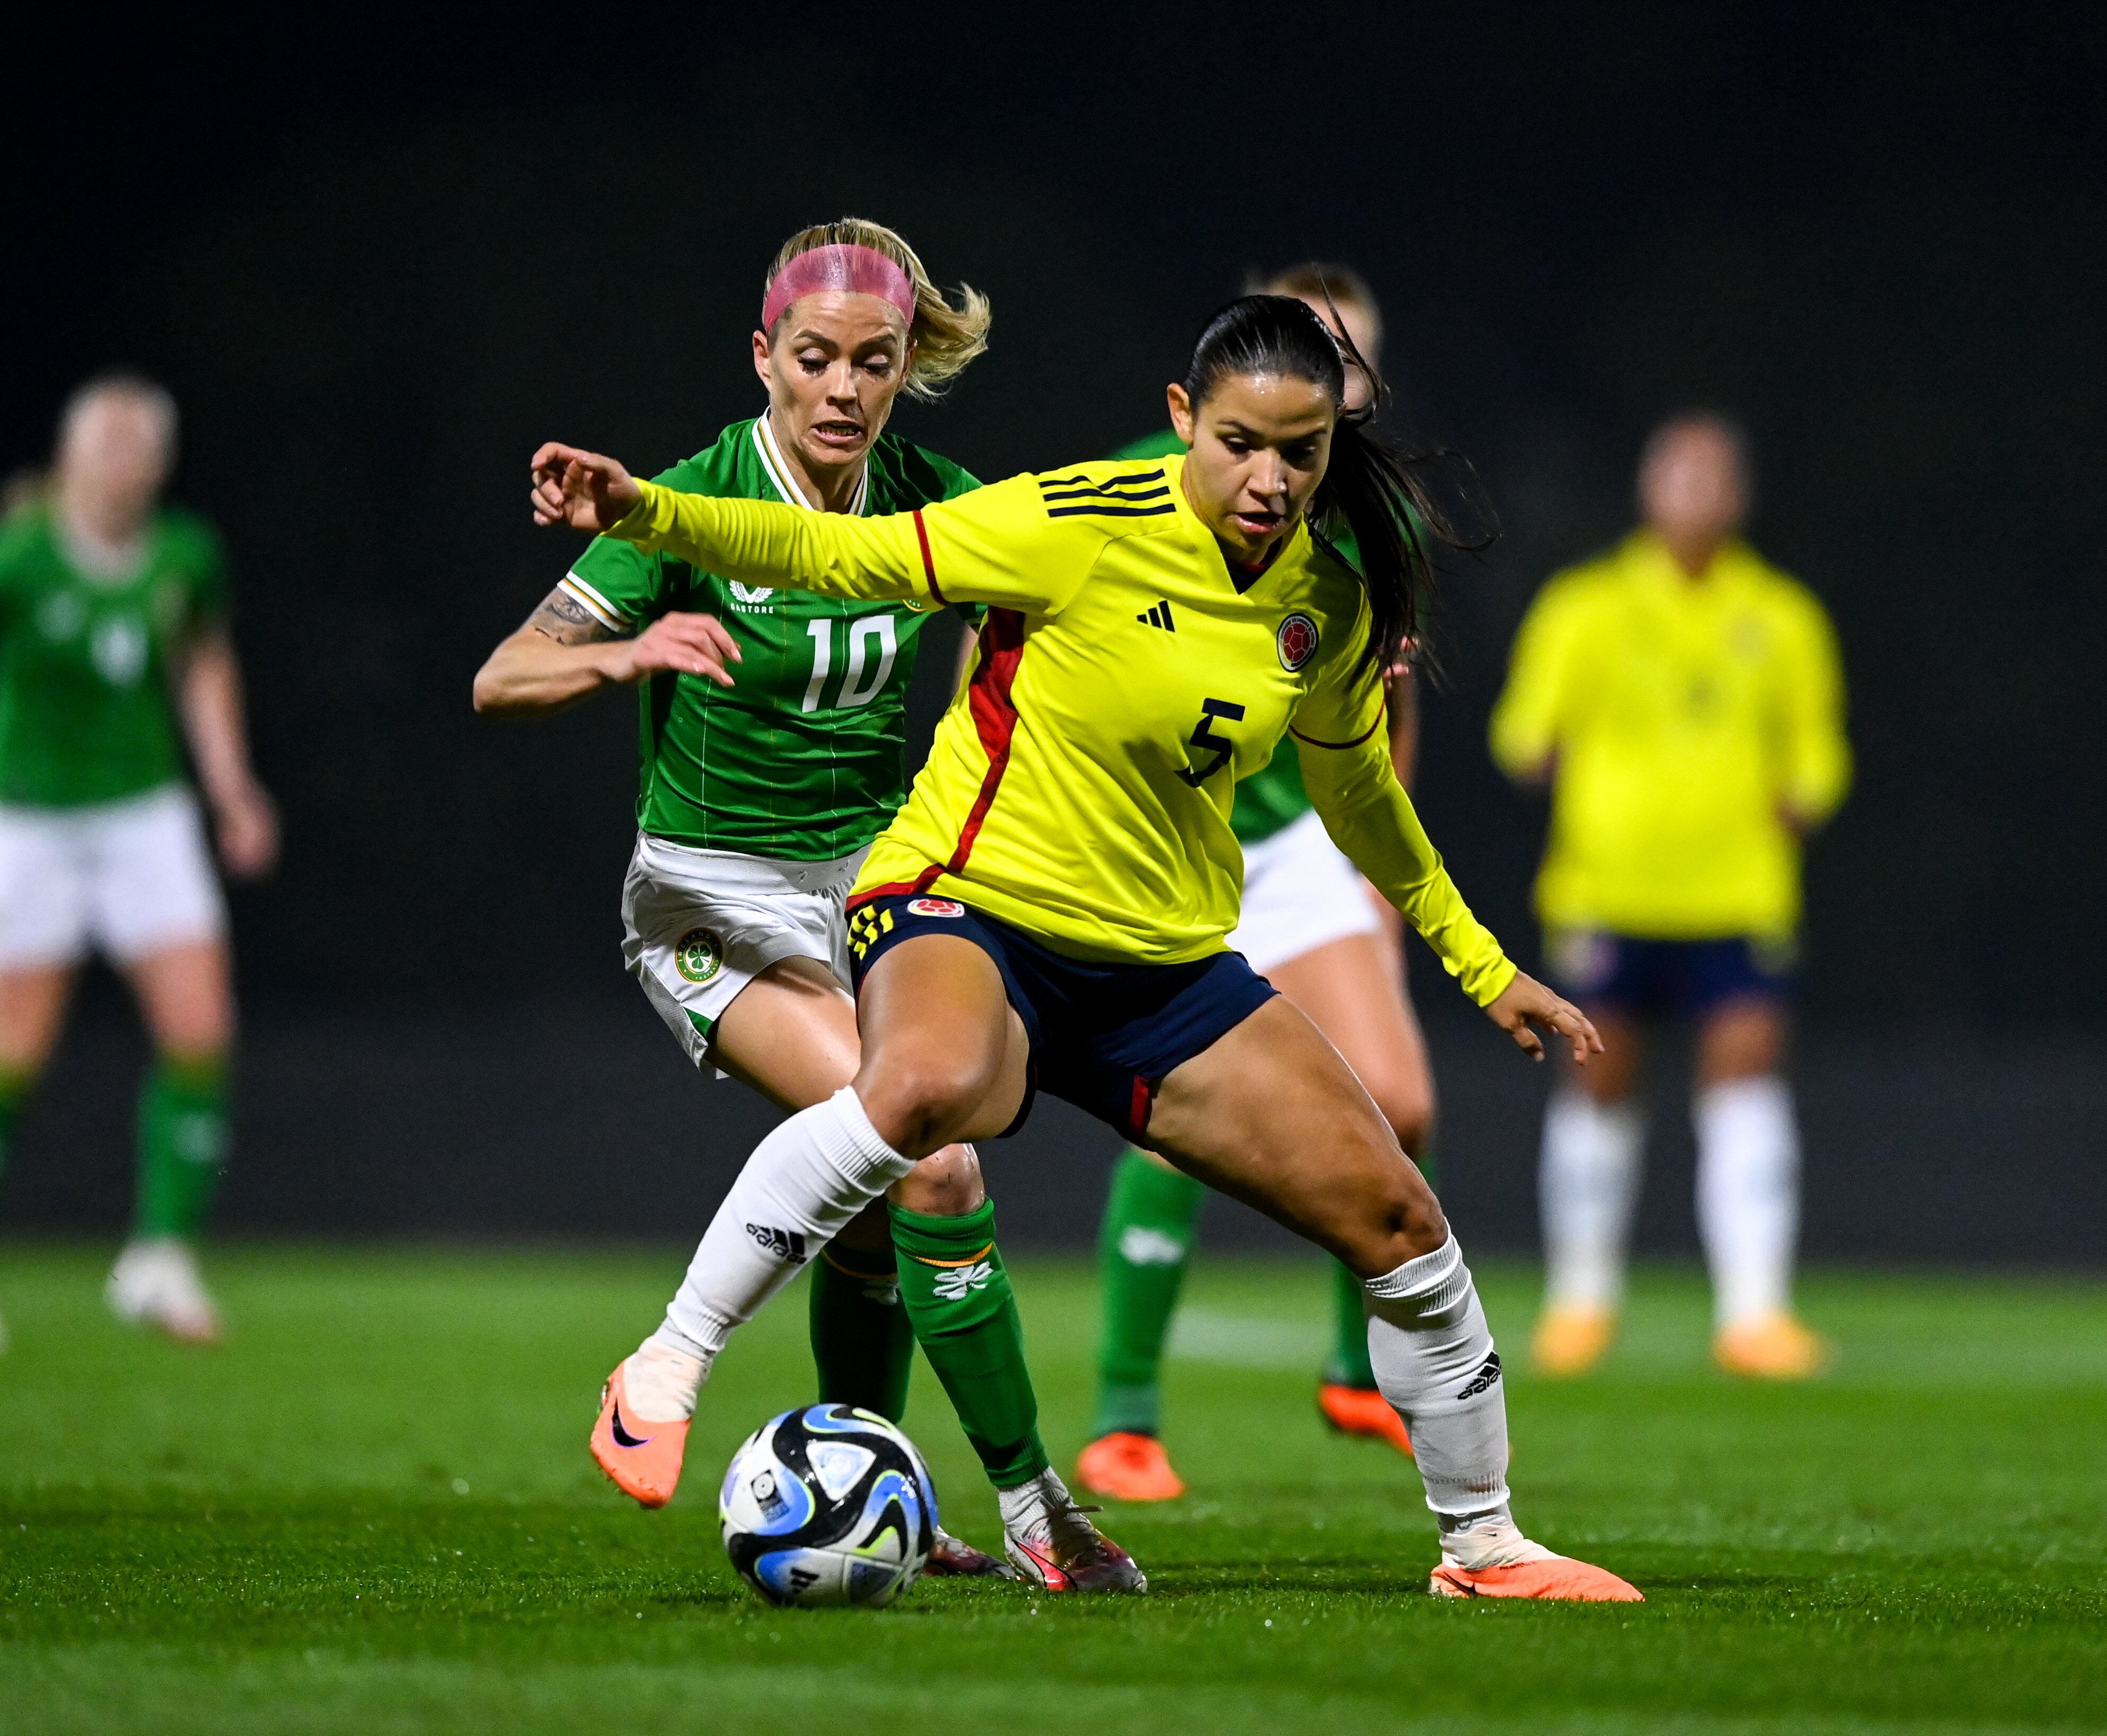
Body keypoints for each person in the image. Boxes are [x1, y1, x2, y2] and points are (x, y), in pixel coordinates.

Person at [532, 293, 1643, 1602]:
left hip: (1160, 973)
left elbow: (1361, 802)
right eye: (1240, 443)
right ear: (1182, 420)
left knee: (1397, 1212)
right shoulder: (1071, 520)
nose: (1269, 478)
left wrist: (1484, 966)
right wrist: (647, 510)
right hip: (965, 907)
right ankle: (666, 1362)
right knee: (923, 1098)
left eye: (1300, 450)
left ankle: (1484, 1546)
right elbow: (845, 555)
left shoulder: (1323, 604)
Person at [474, 219, 1041, 1579]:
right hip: (709, 898)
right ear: (762, 361)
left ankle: (870, 1490)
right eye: (815, 360)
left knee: (874, 1198)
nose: (843, 389)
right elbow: (501, 673)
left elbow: (1061, 573)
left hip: (870, 886)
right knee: (926, 1152)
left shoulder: (923, 491)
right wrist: (624, 657)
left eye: (874, 362)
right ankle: (1038, 1507)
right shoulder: (694, 496)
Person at [1078, 263, 1438, 1504]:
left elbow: (1387, 711)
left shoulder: (1365, 518)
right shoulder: (1148, 476)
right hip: (1152, 833)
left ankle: (1355, 1369)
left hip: (1289, 845)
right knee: (1179, 1121)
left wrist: (1379, 884)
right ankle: (1123, 1418)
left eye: (1351, 368)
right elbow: (997, 618)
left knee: (1396, 1096)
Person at [0, 373, 277, 1354]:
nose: (121, 465)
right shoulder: (20, 556)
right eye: (104, 447)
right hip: (24, 822)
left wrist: (232, 786)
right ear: (71, 459)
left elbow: (202, 659)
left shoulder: (184, 554)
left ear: (160, 466)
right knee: (13, 1054)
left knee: (203, 1031)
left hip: (144, 815)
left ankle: (160, 1258)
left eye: (138, 449)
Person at [1489, 412, 1850, 1380]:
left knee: (1745, 1084)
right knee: (1599, 1082)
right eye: (1677, 474)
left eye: (1713, 476)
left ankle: (1755, 1314)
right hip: (1609, 887)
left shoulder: (1783, 617)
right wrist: (1543, 755)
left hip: (1735, 894)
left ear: (1738, 496)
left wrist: (1802, 796)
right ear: (1648, 489)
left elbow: (1817, 756)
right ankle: (1579, 1302)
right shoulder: (1584, 607)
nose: (1694, 492)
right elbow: (1524, 733)